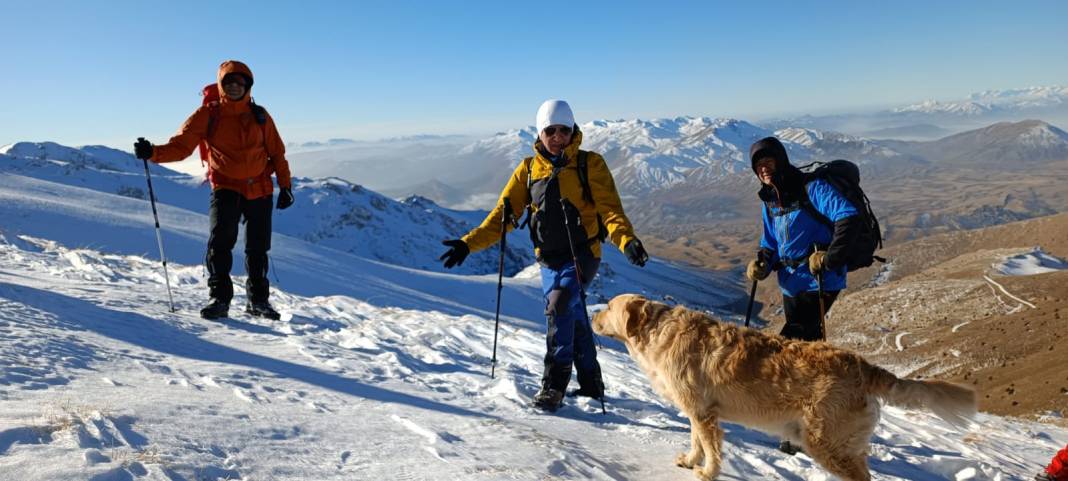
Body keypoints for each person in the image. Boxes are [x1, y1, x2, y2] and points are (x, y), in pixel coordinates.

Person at [440, 99, 649, 412]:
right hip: (548, 261)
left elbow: (610, 211)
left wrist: (626, 240)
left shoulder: (589, 164)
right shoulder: (527, 170)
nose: (557, 136)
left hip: (583, 255)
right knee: (574, 317)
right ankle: (592, 382)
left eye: (564, 129)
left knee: (559, 306)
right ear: (540, 133)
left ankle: (553, 386)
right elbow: (504, 214)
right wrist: (468, 244)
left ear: (573, 130)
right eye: (550, 130)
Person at [134, 60, 294, 321]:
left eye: (239, 83)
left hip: (261, 188)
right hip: (226, 186)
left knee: (257, 248)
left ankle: (258, 301)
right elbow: (182, 146)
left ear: (248, 86)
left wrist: (285, 185)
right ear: (221, 86)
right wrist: (153, 153)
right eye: (229, 83)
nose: (234, 87)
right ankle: (219, 299)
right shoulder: (208, 114)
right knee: (220, 244)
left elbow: (277, 152)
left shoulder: (260, 115)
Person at [743, 136, 861, 453]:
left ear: (781, 160)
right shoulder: (771, 200)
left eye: (769, 161)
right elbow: (770, 244)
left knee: (786, 353)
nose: (764, 169)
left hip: (820, 283)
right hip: (791, 285)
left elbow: (848, 215)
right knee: (807, 354)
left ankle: (794, 430)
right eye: (758, 165)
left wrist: (830, 258)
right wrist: (763, 264)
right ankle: (821, 418)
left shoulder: (813, 188)